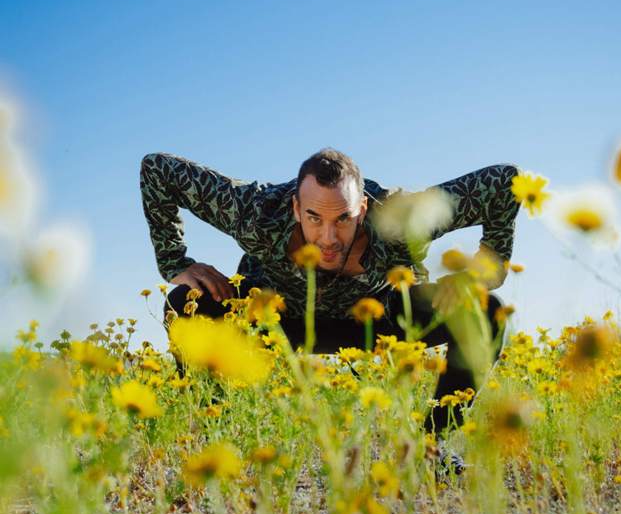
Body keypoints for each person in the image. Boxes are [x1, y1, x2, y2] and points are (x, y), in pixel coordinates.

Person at [140, 148, 521, 472]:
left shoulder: (400, 219)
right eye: (313, 218)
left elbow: (505, 183)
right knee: (184, 304)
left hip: (374, 321)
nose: (328, 238)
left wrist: (482, 273)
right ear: (294, 207)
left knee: (484, 310)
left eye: (344, 219)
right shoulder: (256, 212)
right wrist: (175, 262)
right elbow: (158, 169)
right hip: (275, 322)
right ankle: (215, 445)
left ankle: (431, 448)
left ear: (364, 208)